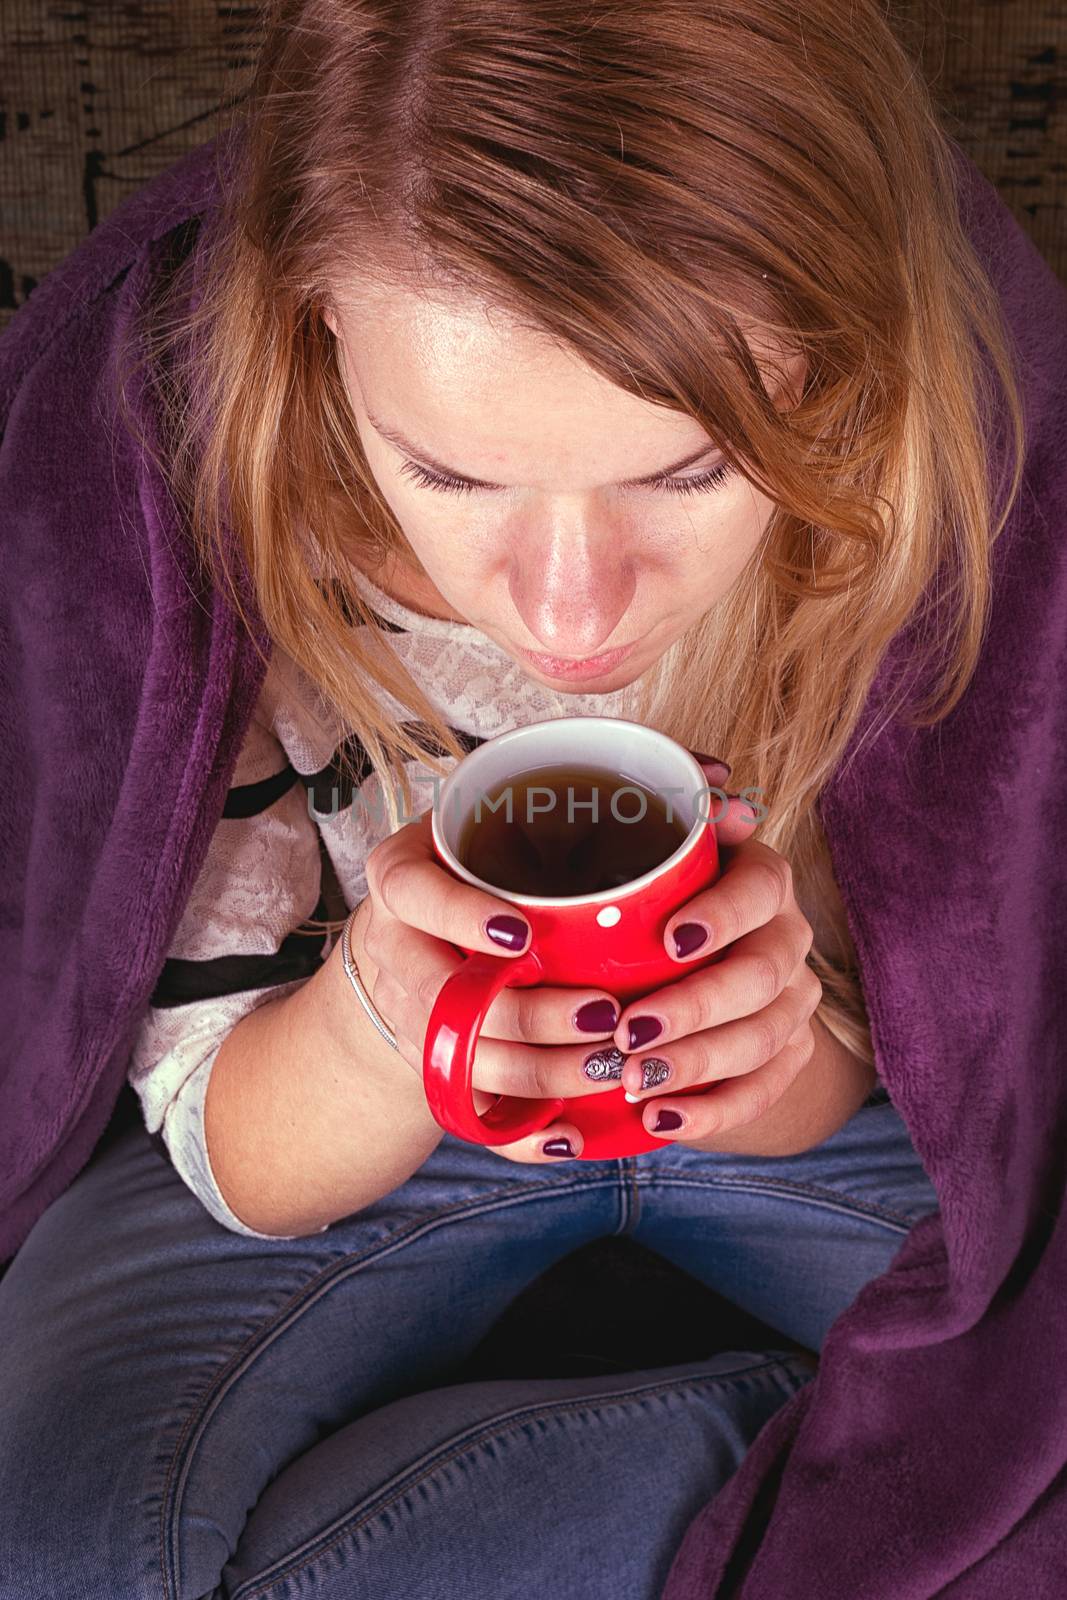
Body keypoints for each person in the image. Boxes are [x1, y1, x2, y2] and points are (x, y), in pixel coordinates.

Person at [1, 0, 1046, 1596]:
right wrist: (378, 1017)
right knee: (58, 1548)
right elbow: (235, 1149)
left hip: (843, 1148)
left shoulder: (972, 465)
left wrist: (774, 1061)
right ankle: (826, 1462)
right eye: (456, 475)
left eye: (690, 470)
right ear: (317, 324)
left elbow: (959, 1062)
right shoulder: (185, 500)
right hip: (342, 1129)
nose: (568, 616)